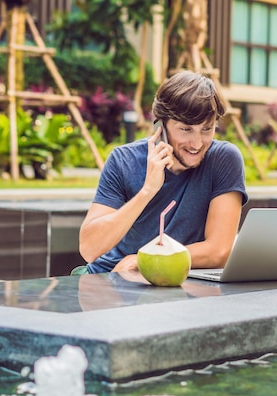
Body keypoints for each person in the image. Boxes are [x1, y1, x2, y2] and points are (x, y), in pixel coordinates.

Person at [75, 71, 248, 274]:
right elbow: (89, 249)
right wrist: (147, 190)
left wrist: (143, 260)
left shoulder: (224, 159)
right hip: (108, 275)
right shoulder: (124, 160)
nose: (197, 143)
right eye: (186, 130)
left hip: (169, 278)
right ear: (160, 126)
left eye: (207, 129)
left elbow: (218, 252)